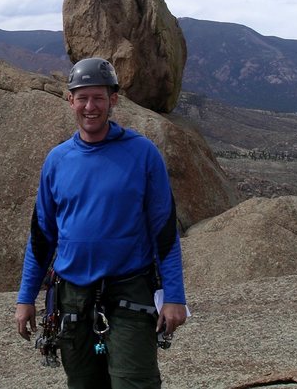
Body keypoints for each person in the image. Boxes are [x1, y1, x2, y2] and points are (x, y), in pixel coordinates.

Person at [15, 57, 187, 389]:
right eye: (82, 97)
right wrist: (25, 299)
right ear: (70, 101)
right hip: (72, 298)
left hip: (129, 292)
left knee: (134, 383)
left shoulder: (142, 154)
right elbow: (41, 236)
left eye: (98, 97)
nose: (90, 106)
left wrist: (175, 297)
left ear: (113, 100)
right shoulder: (57, 160)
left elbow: (164, 231)